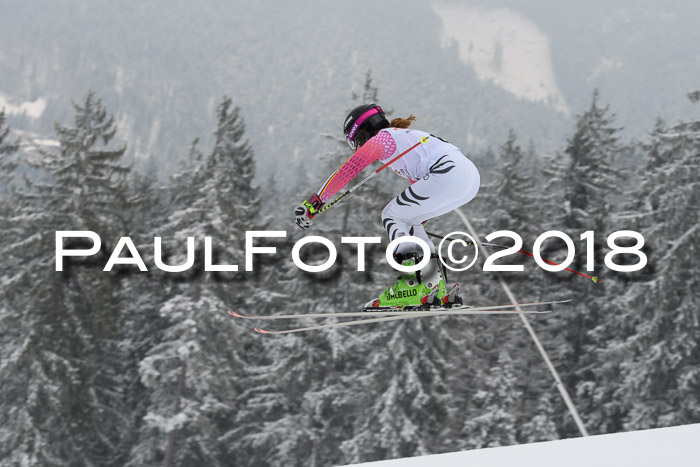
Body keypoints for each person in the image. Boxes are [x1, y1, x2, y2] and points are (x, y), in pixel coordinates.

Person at [294, 104, 480, 309]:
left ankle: (411, 284)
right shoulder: (401, 137)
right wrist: (418, 221)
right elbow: (418, 183)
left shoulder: (383, 139)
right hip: (468, 177)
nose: (356, 148)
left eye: (354, 142)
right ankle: (433, 286)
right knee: (409, 220)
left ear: (362, 132)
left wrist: (315, 201)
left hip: (447, 172)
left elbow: (347, 170)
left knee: (391, 215)